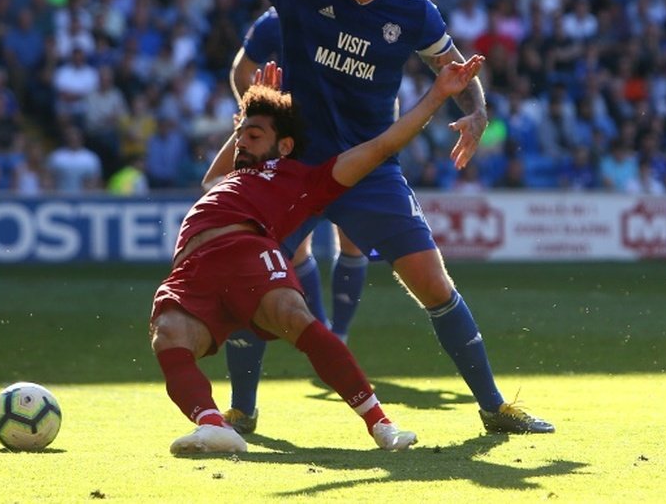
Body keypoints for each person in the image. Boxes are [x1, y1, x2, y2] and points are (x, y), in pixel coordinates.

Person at [133, 0, 553, 435]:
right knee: (239, 275)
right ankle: (242, 411)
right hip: (295, 166)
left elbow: (452, 68)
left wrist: (476, 111)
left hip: (369, 168)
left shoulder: (412, 11)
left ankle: (493, 407)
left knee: (434, 284)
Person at [152, 56, 481, 454]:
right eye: (239, 136)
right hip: (191, 268)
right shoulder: (234, 176)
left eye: (253, 137)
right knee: (168, 335)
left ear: (284, 146)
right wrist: (251, 113)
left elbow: (383, 145)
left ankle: (380, 425)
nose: (240, 143)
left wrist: (437, 95)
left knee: (292, 316)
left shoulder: (305, 178)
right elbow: (211, 177)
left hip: (247, 252)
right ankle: (211, 423)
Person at [225, 0, 369, 432]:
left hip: (345, 147)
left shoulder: (358, 15)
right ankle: (316, 338)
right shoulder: (276, 20)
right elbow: (240, 71)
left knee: (351, 238)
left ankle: (337, 335)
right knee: (282, 249)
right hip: (297, 153)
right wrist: (262, 115)